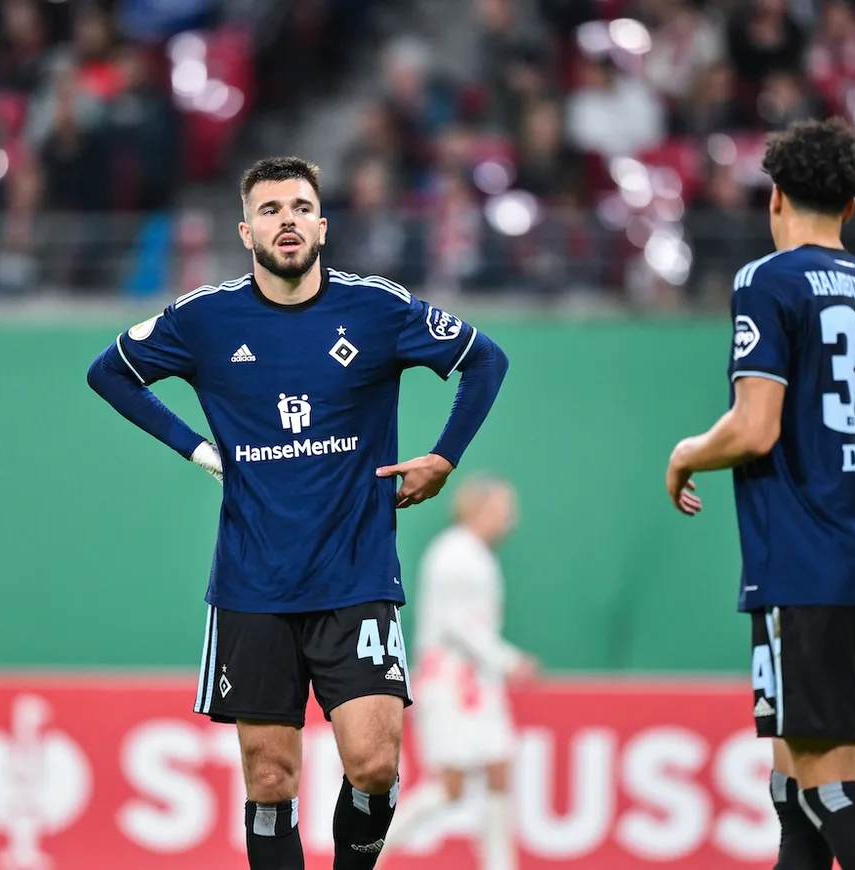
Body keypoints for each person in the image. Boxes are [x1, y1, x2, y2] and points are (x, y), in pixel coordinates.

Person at [86, 155, 510, 870]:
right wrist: (193, 447)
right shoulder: (205, 318)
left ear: (322, 223)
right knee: (271, 775)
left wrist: (445, 457)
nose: (287, 220)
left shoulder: (377, 309)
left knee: (374, 763)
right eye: (271, 210)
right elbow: (110, 373)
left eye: (300, 207)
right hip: (254, 583)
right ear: (246, 230)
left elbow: (485, 360)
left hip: (357, 575)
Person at [665, 116, 855, 870]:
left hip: (803, 573)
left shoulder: (767, 282)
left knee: (830, 787)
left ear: (774, 198)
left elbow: (755, 428)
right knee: (793, 779)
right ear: (848, 206)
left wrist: (685, 454)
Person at [377, 475, 537, 870]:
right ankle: (372, 852)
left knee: (499, 765)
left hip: (477, 685)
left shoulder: (477, 555)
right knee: (450, 786)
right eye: (502, 511)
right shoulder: (455, 555)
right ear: (476, 509)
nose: (510, 521)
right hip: (452, 686)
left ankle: (501, 864)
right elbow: (459, 626)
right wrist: (508, 660)